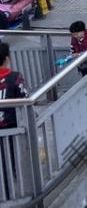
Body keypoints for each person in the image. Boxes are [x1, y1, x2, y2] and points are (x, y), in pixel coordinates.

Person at [0, 42, 27, 196]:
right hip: (10, 126)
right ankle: (10, 190)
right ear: (7, 58)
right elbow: (25, 100)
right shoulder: (14, 77)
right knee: (9, 158)